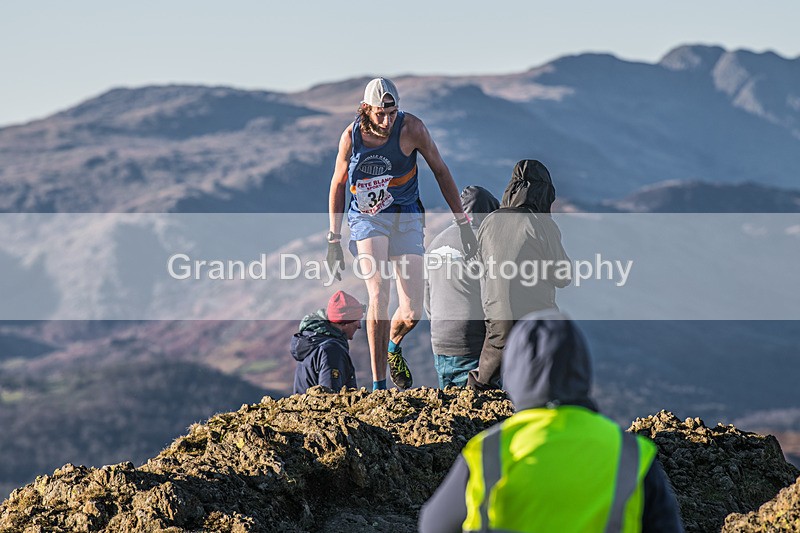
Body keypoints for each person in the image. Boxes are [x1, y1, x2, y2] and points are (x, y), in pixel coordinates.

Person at [419, 310, 685, 533]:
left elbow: (433, 526)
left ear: (514, 372)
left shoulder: (488, 452)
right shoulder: (631, 455)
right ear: (581, 367)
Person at [326, 77, 478, 391]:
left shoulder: (413, 130)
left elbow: (441, 170)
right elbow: (338, 184)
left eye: (391, 113)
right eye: (380, 113)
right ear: (366, 109)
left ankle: (393, 345)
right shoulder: (351, 138)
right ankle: (380, 385)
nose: (386, 120)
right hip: (368, 220)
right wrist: (334, 238)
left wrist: (463, 223)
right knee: (379, 294)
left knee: (412, 312)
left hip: (407, 216)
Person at [468, 159, 571, 390]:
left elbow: (478, 266)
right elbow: (563, 276)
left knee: (484, 379)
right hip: (534, 317)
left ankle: (473, 411)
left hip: (496, 313)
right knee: (545, 377)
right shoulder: (541, 224)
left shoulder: (490, 220)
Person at [424, 185, 500, 388]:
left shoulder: (435, 243)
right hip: (471, 344)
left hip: (439, 341)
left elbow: (428, 301)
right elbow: (490, 300)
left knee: (452, 414)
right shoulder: (484, 242)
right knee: (479, 413)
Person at [291, 290, 365, 394]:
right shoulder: (331, 351)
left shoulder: (313, 343)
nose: (359, 326)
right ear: (344, 323)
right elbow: (329, 399)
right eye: (357, 320)